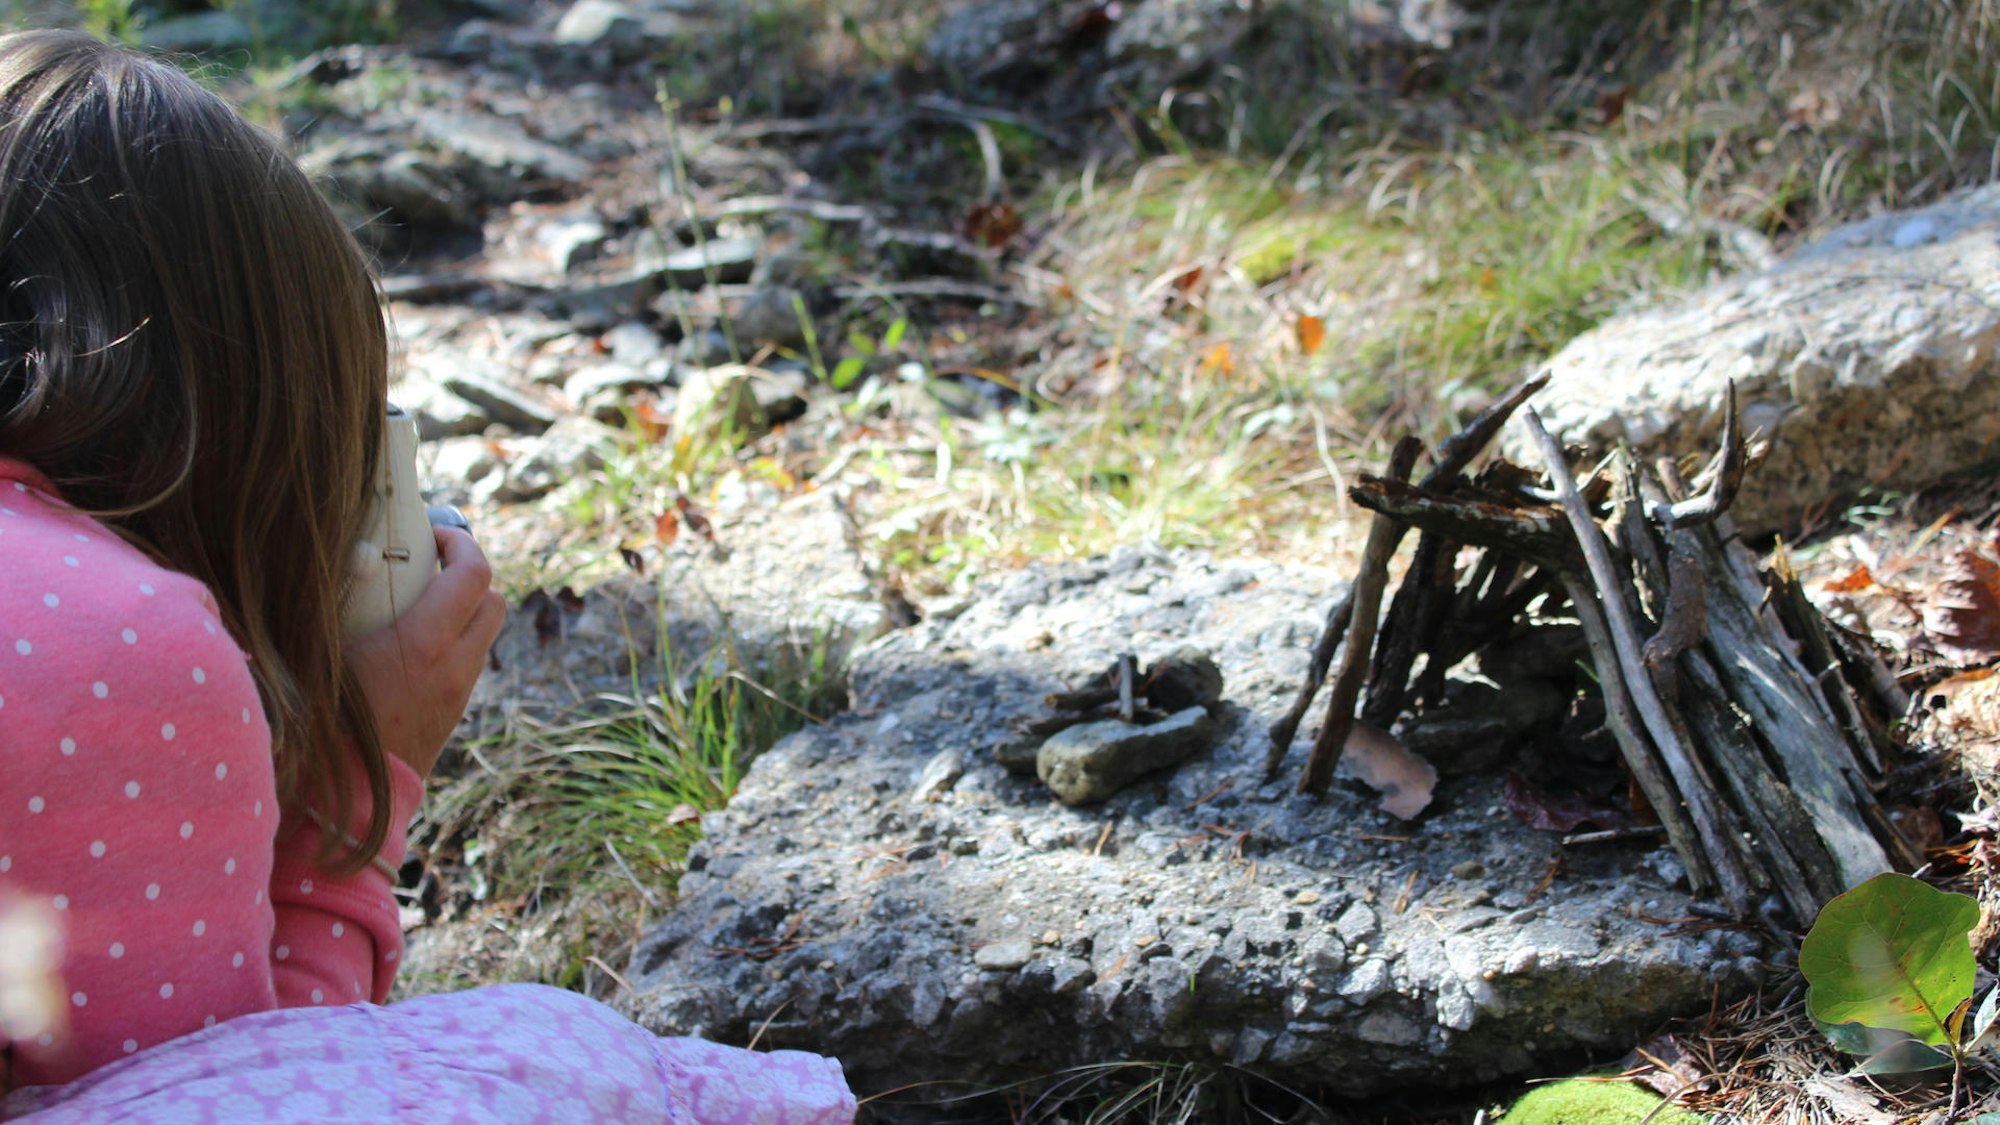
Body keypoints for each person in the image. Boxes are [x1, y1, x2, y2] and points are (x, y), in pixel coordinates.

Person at [0, 29, 854, 1123]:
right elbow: (251, 1091)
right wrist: (366, 784)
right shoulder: (118, 647)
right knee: (547, 1051)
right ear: (258, 425)